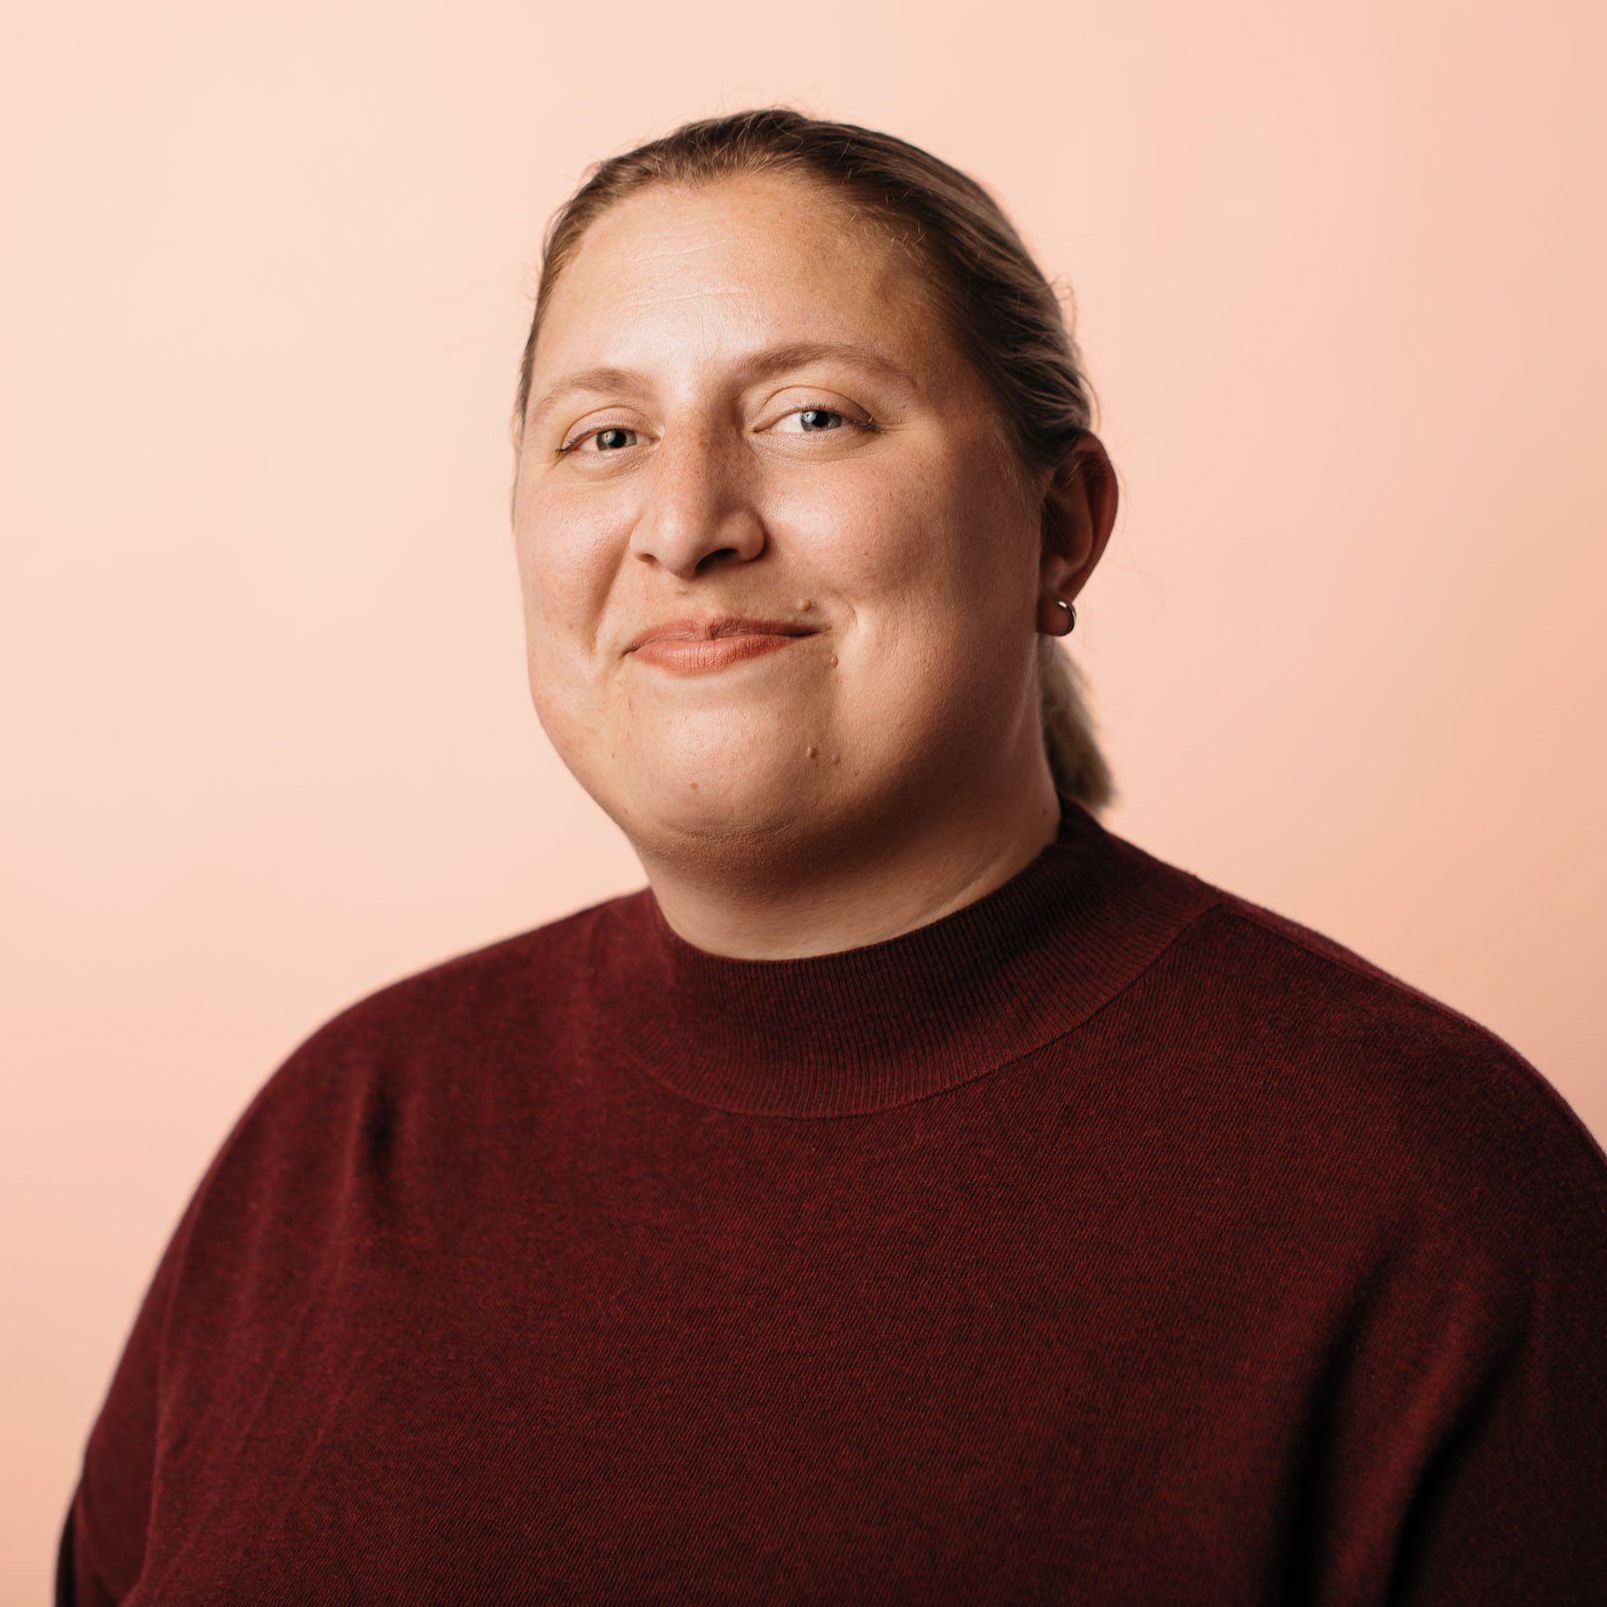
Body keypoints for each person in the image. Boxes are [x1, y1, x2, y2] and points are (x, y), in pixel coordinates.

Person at [58, 106, 1607, 1604]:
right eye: (605, 434)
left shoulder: (1429, 1203)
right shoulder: (339, 1136)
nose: (686, 523)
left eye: (812, 416)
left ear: (1061, 526)